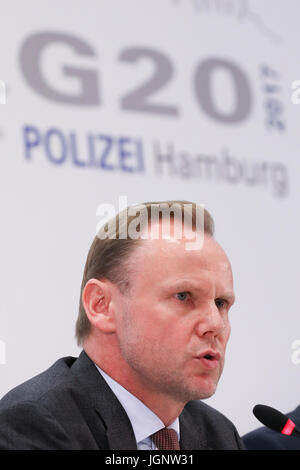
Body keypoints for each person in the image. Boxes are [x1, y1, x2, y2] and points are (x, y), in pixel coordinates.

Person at [0, 200, 244, 450]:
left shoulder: (221, 436)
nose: (215, 324)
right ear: (101, 305)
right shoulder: (35, 425)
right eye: (183, 296)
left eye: (221, 303)